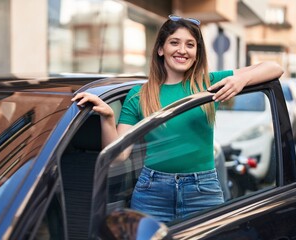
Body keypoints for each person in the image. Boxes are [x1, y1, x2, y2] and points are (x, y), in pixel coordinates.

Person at [71, 14, 284, 222]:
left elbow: (275, 68)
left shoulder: (209, 84)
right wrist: (107, 117)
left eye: (190, 45)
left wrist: (242, 78)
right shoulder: (138, 95)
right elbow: (118, 156)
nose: (182, 50)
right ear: (161, 49)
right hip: (151, 192)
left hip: (204, 190)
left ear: (197, 53)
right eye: (174, 43)